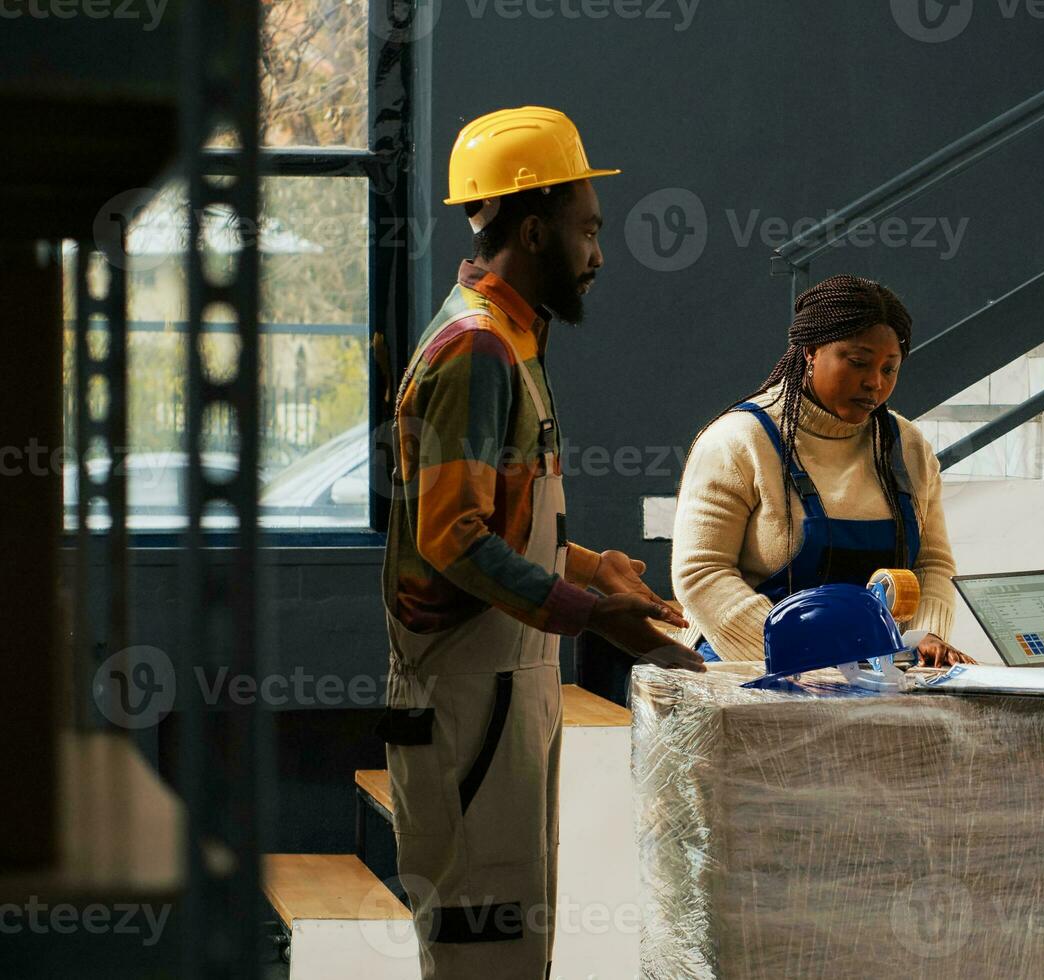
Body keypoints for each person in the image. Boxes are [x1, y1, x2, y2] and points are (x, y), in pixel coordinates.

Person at [380, 105, 704, 979]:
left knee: (514, 954)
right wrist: (592, 616)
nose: (599, 255)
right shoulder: (476, 350)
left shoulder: (514, 337)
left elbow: (499, 515)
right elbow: (451, 537)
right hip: (464, 702)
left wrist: (595, 568)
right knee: (483, 960)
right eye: (587, 230)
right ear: (532, 228)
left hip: (504, 687)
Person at [671, 274, 972, 667]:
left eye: (890, 369)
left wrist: (921, 637)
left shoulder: (906, 447)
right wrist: (798, 652)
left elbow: (932, 564)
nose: (874, 383)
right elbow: (702, 573)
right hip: (751, 665)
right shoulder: (740, 440)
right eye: (859, 362)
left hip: (871, 668)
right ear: (811, 351)